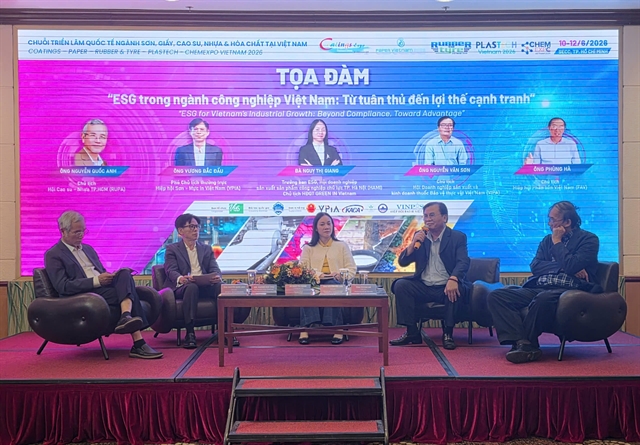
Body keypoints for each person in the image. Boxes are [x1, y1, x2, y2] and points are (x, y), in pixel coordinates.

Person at [487, 201, 600, 364]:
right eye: (549, 219)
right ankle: (522, 342)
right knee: (497, 296)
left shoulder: (588, 240)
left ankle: (528, 345)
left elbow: (571, 265)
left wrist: (558, 242)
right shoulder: (547, 240)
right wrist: (562, 267)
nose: (549, 223)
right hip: (541, 286)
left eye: (553, 220)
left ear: (567, 222)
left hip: (569, 292)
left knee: (543, 299)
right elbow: (535, 266)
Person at [44, 211, 162, 359]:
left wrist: (109, 277)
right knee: (129, 293)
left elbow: (100, 271)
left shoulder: (88, 249)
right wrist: (96, 281)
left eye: (83, 231)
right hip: (83, 295)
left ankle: (126, 316)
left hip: (102, 287)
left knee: (124, 274)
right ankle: (138, 343)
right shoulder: (53, 254)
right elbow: (63, 286)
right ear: (63, 231)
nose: (81, 235)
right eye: (77, 232)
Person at [389, 202, 471, 350]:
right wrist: (413, 243)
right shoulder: (420, 236)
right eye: (425, 216)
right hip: (424, 285)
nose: (428, 219)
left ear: (444, 218)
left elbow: (463, 262)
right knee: (401, 285)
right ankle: (412, 332)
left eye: (432, 215)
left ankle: (448, 334)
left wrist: (453, 279)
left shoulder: (457, 237)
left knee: (454, 289)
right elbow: (403, 262)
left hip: (446, 284)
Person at [163, 213, 228, 349]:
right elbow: (171, 270)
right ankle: (190, 333)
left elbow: (214, 268)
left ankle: (225, 331)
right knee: (192, 287)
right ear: (181, 231)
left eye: (197, 226)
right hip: (183, 287)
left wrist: (217, 276)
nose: (195, 229)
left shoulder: (206, 249)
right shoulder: (172, 249)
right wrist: (181, 278)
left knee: (220, 286)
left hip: (205, 285)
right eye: (191, 226)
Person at [298, 212, 356, 345]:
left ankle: (338, 328)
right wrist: (319, 275)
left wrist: (341, 275)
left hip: (335, 281)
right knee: (306, 289)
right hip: (314, 281)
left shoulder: (341, 246)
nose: (326, 227)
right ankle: (304, 328)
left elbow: (352, 268)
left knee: (333, 286)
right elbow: (302, 269)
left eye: (329, 224)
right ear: (316, 228)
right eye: (322, 224)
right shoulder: (308, 248)